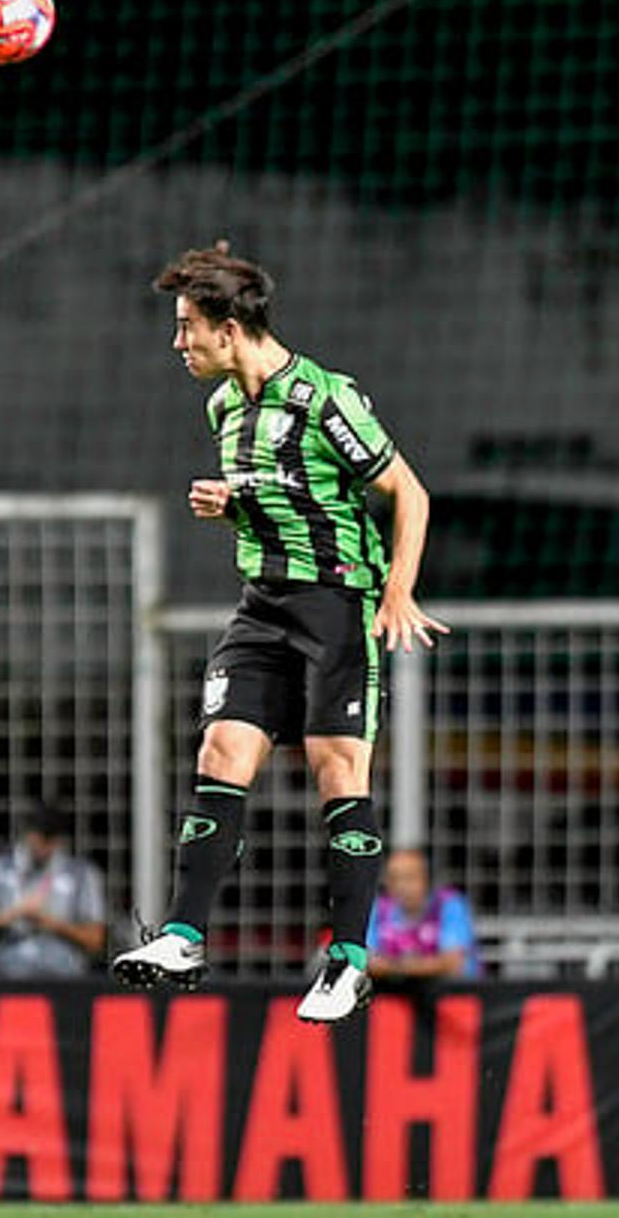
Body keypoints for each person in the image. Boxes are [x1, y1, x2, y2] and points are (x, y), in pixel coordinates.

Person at [112, 245, 449, 1025]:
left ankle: (350, 960)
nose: (179, 344)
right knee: (218, 753)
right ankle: (183, 934)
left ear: (229, 330)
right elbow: (292, 497)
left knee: (338, 773)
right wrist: (235, 505)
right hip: (261, 604)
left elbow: (409, 492)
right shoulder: (225, 407)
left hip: (336, 605)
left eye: (187, 327)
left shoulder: (327, 400)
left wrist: (397, 590)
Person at [0, 802, 106, 976]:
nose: (45, 846)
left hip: (63, 974)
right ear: (28, 833)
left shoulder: (80, 874)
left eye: (51, 839)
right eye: (41, 837)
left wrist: (53, 924)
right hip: (6, 972)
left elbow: (95, 939)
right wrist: (15, 914)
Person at [365, 848, 482, 981]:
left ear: (425, 879)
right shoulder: (378, 909)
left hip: (450, 994)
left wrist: (396, 967)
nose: (401, 886)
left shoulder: (449, 905)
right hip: (396, 995)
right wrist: (421, 965)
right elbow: (367, 962)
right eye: (394, 878)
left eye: (409, 878)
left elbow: (452, 964)